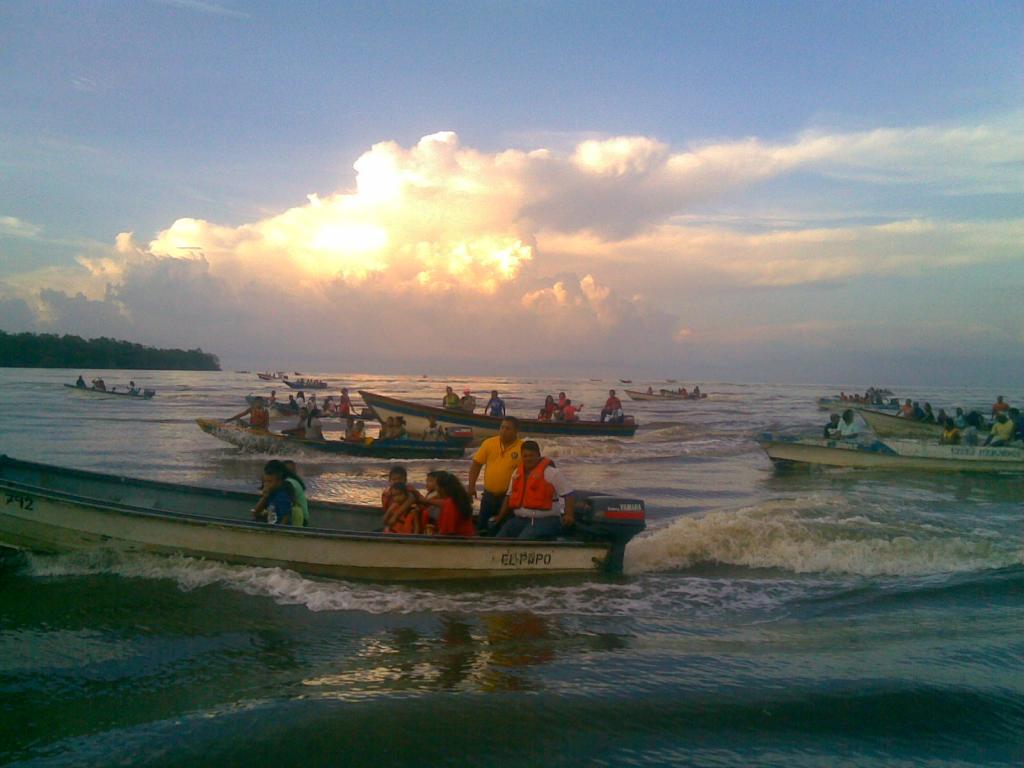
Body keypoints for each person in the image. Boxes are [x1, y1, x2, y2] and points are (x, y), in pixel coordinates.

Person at [491, 441, 575, 540]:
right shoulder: (516, 473)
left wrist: (568, 514)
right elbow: (509, 496)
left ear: (538, 455)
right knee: (500, 538)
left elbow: (568, 494)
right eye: (525, 456)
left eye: (531, 455)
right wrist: (500, 517)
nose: (528, 459)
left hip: (547, 520)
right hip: (521, 519)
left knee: (524, 539)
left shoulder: (552, 473)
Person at [467, 416, 523, 534]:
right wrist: (471, 486)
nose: (503, 431)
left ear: (516, 431)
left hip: (508, 498)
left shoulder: (522, 448)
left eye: (508, 428)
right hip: (488, 495)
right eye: (502, 427)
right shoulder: (489, 443)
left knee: (503, 530)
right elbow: (476, 464)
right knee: (481, 527)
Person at [250, 460, 303, 526]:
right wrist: (265, 497)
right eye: (265, 482)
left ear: (279, 482)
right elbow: (255, 513)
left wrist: (278, 532)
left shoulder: (282, 496)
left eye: (270, 481)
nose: (266, 484)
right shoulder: (271, 494)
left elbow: (286, 518)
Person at [433, 471, 476, 536]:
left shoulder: (450, 503)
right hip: (466, 539)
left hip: (459, 543)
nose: (435, 489)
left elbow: (447, 533)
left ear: (442, 488)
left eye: (436, 485)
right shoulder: (457, 499)